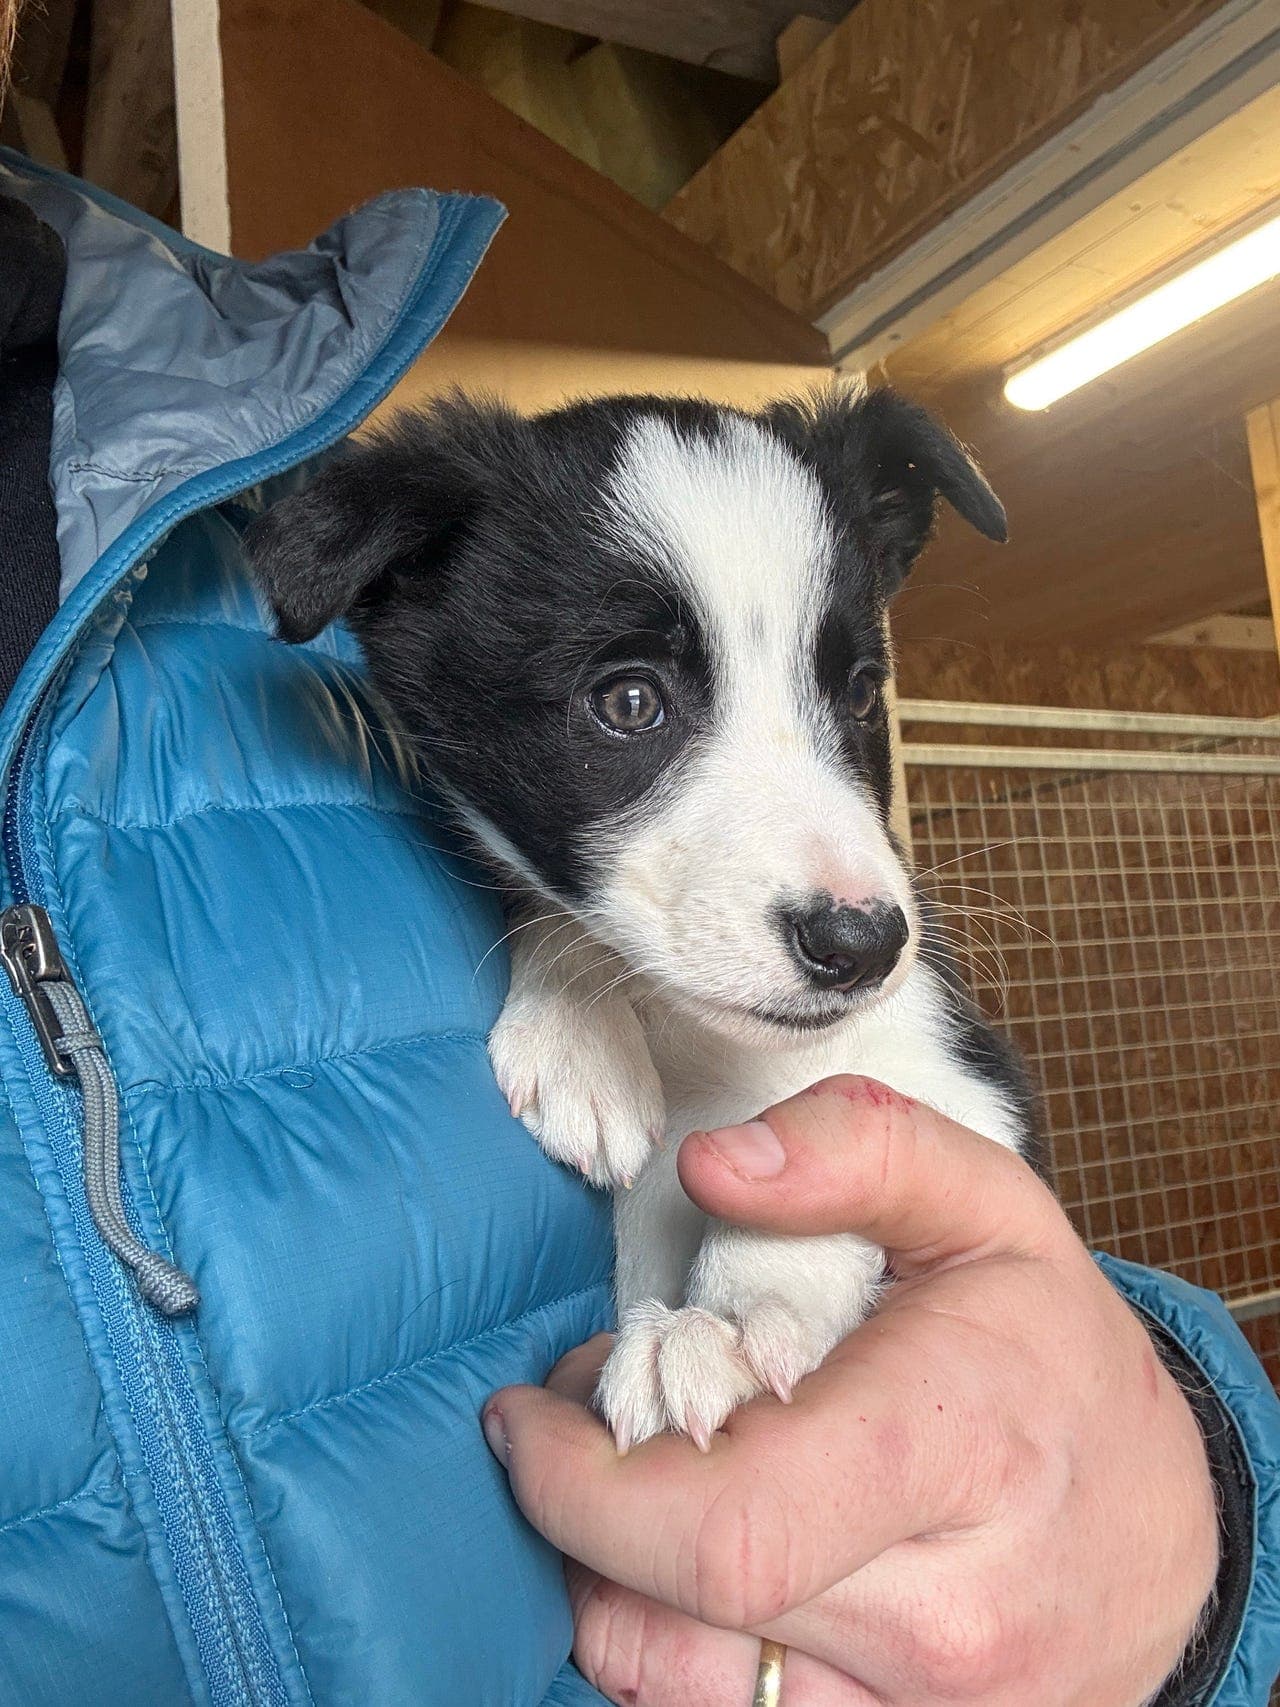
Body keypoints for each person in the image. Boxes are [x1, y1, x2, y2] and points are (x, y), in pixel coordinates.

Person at [0, 20, 1276, 1704]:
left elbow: (996, 1244)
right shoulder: (344, 630)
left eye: (842, 684)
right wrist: (565, 949)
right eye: (633, 695)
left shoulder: (224, 506)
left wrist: (1210, 1519)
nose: (847, 874)